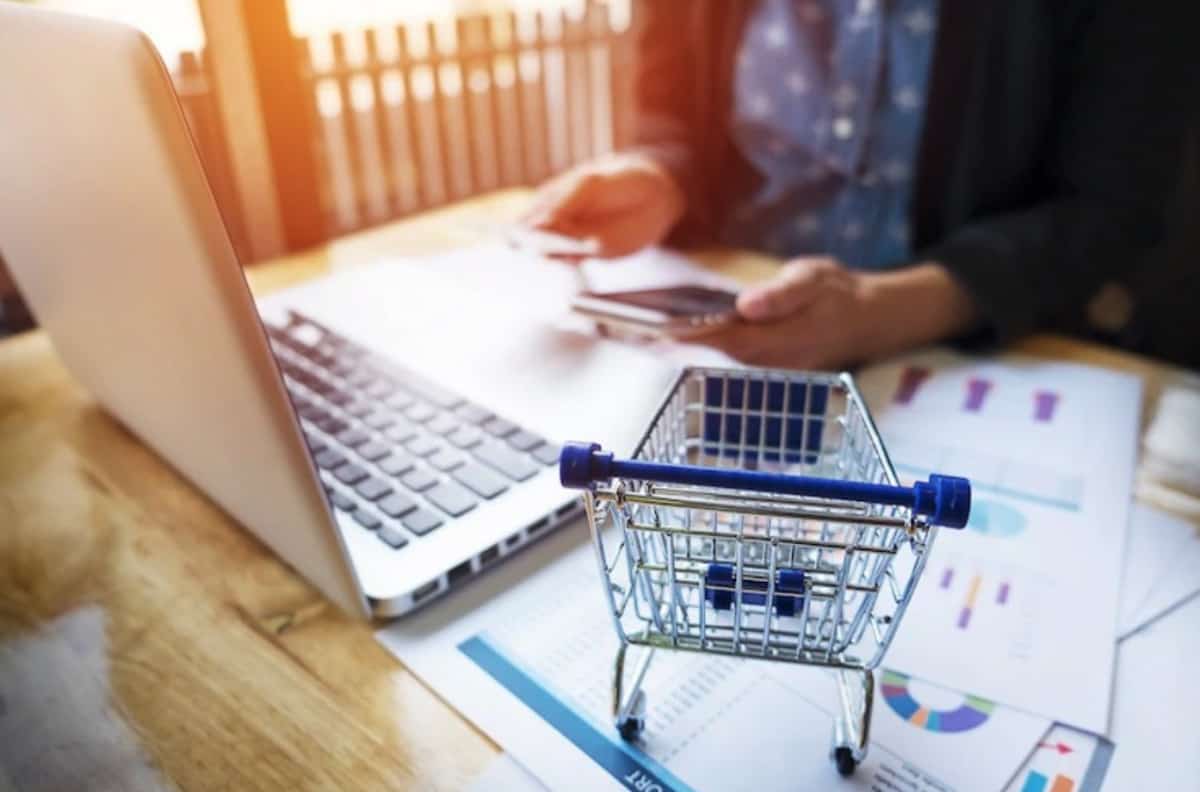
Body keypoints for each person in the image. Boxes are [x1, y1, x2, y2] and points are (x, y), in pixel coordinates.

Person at [524, 0, 1197, 369]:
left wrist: (887, 311)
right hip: (712, 339)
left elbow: (1111, 210)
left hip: (970, 351)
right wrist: (661, 175)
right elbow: (671, 108)